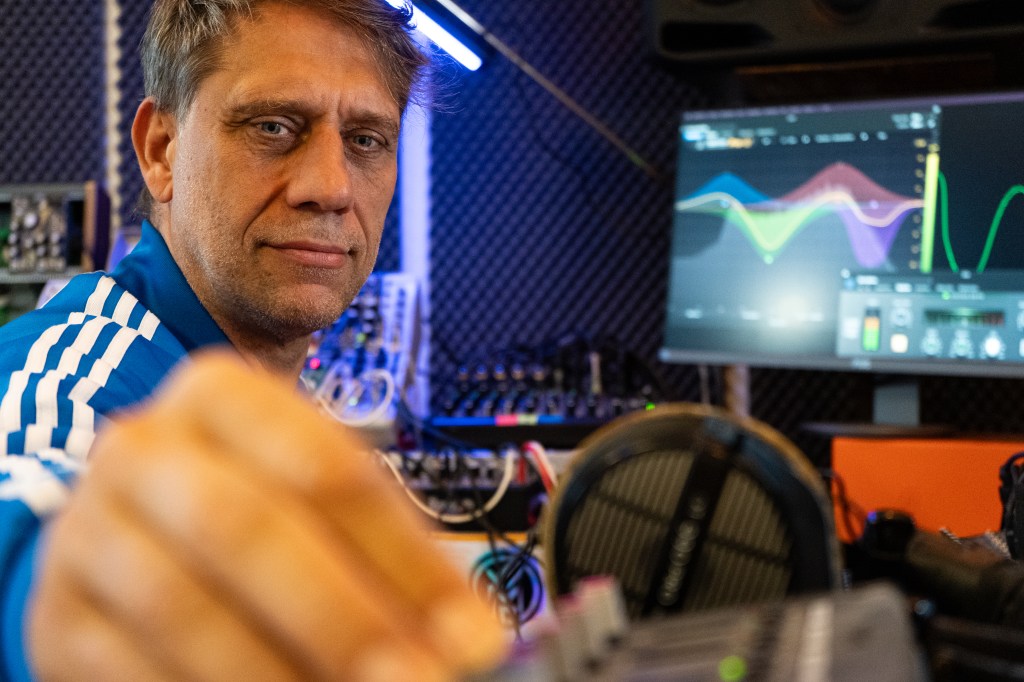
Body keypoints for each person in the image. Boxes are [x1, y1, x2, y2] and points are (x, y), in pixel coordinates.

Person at [0, 0, 507, 679]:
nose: (330, 188)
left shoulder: (278, 385)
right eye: (273, 126)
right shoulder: (73, 370)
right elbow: (35, 509)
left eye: (366, 140)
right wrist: (50, 601)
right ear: (161, 151)